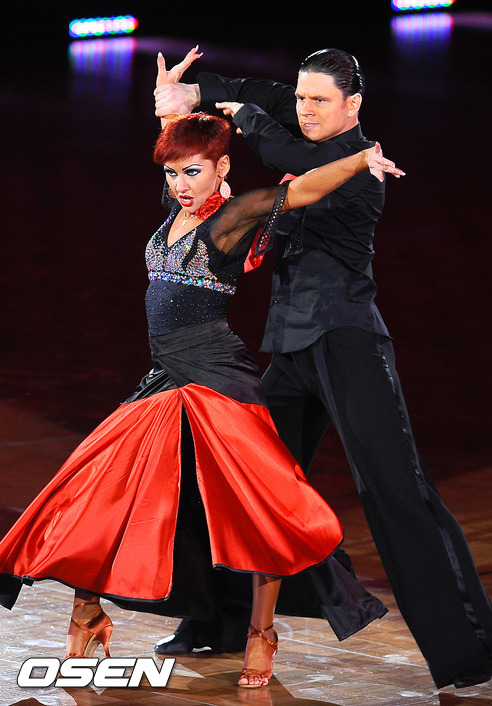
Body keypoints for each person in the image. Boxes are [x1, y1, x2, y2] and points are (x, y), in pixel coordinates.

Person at [0, 60, 402, 688]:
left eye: (194, 172)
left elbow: (300, 191)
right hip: (165, 376)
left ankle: (261, 634)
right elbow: (180, 149)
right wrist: (170, 105)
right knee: (100, 490)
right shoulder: (177, 207)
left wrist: (357, 161)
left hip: (218, 381)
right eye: (172, 173)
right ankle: (87, 616)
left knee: (260, 511)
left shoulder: (232, 218)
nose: (181, 184)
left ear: (223, 169)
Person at [153, 48, 492, 689]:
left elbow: (291, 155)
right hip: (291, 347)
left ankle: (472, 648)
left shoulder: (359, 163)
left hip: (347, 343)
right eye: (302, 99)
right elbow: (265, 95)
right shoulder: (307, 124)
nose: (306, 110)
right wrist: (194, 94)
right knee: (243, 483)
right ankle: (218, 623)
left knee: (397, 492)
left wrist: (246, 117)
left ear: (354, 104)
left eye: (320, 100)